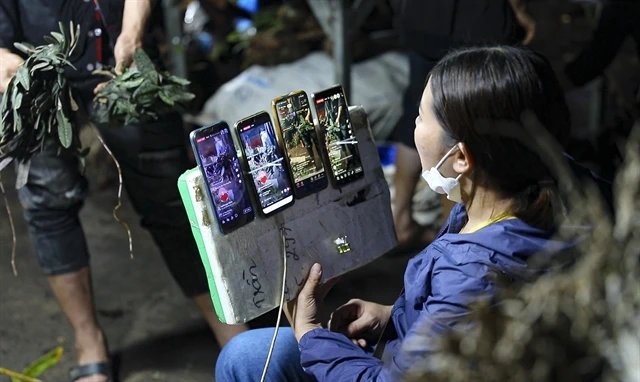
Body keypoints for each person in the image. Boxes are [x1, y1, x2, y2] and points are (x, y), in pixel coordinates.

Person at [215, 46, 611, 381]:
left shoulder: (471, 273)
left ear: (460, 158)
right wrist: (395, 316)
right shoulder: (557, 184)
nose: (414, 126)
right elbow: (461, 321)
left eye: (420, 118)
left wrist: (310, 334)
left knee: (247, 359)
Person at [0, 1, 247, 381]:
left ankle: (231, 329)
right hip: (27, 63)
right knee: (48, 200)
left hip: (116, 46)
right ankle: (88, 341)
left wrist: (132, 32)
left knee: (170, 193)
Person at [390, 0, 537, 246]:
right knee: (463, 127)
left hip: (425, 18)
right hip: (476, 24)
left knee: (418, 116)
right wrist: (520, 11)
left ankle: (401, 219)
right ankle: (450, 238)